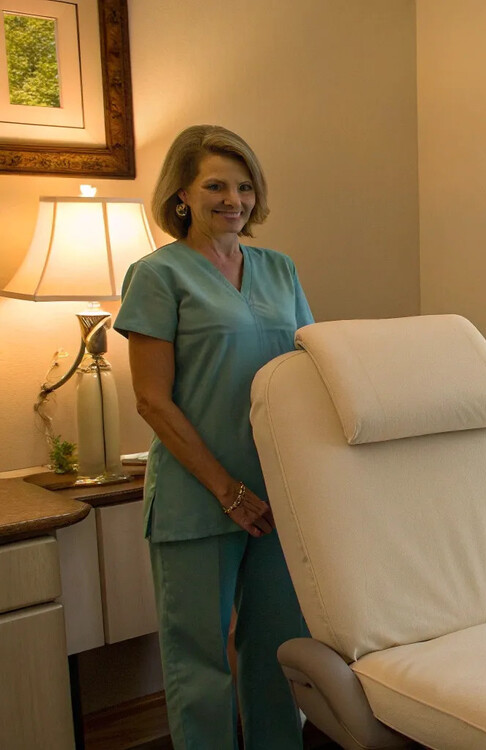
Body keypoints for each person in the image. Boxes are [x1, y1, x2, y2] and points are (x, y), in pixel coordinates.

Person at [115, 125, 313, 748]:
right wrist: (228, 491)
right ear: (181, 194)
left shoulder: (279, 269)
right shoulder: (157, 275)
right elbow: (152, 400)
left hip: (277, 493)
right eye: (215, 186)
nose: (234, 200)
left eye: (245, 186)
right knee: (199, 661)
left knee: (279, 652)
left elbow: (308, 371)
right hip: (198, 495)